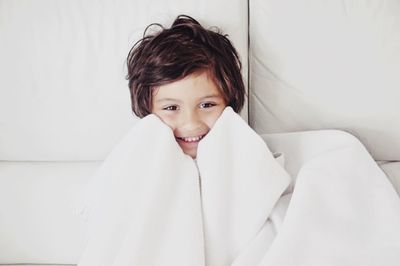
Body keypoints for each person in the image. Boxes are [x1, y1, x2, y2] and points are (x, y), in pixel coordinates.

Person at [126, 15, 246, 158]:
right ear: (147, 109)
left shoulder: (248, 155)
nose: (191, 124)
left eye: (207, 105)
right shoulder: (135, 161)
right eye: (171, 108)